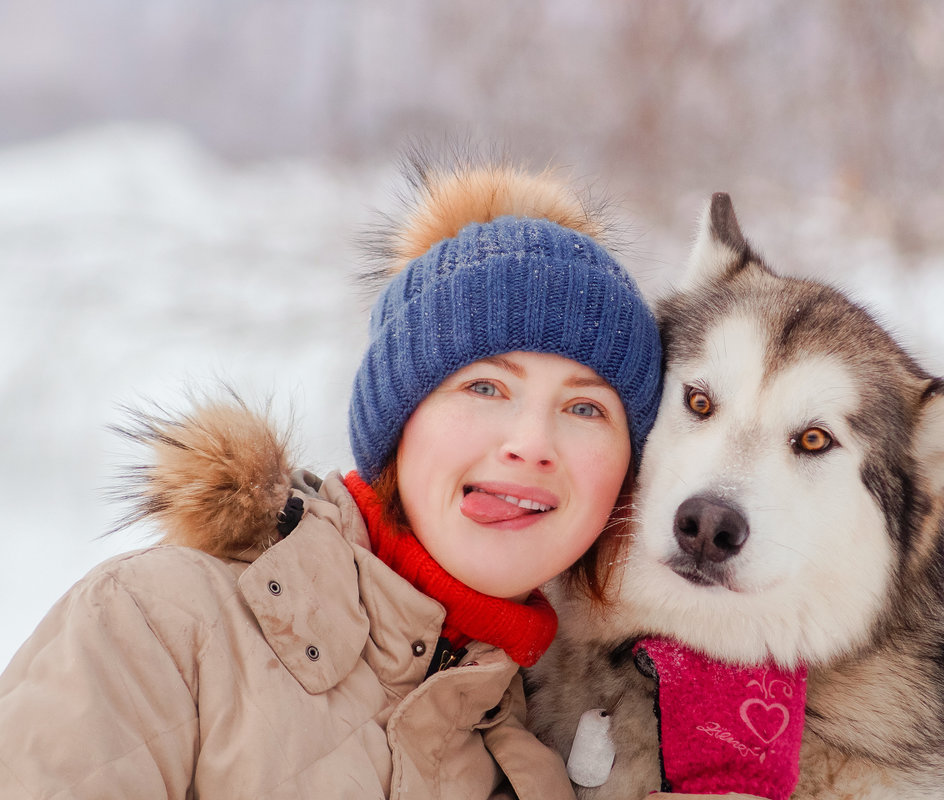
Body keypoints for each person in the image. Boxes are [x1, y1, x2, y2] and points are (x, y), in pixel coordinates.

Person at [0, 161, 663, 799]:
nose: (531, 444)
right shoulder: (162, 626)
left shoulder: (551, 763)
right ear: (397, 426)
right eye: (485, 387)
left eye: (585, 408)